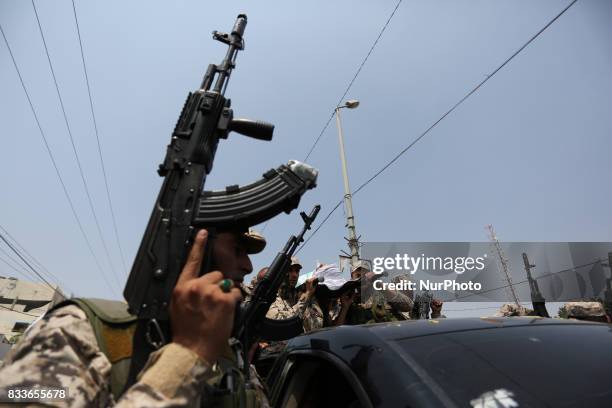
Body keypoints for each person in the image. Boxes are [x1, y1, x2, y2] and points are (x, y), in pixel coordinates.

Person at [0, 229, 268, 407]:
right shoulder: (78, 331)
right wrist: (187, 356)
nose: (248, 265)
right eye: (236, 249)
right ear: (195, 247)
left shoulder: (233, 358)